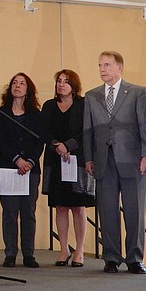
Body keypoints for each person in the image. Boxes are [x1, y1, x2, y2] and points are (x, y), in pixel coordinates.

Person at [83, 51, 146, 275]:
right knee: (107, 210)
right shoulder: (92, 95)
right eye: (100, 65)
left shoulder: (137, 92)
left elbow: (145, 126)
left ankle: (134, 258)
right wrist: (88, 158)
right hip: (104, 160)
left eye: (107, 65)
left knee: (134, 211)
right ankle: (111, 257)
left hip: (133, 160)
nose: (102, 69)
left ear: (119, 67)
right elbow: (88, 130)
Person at [41, 69, 93, 268]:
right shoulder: (49, 106)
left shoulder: (83, 105)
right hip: (55, 161)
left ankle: (79, 251)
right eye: (59, 81)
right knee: (60, 206)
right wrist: (56, 145)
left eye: (66, 81)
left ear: (74, 85)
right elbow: (43, 131)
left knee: (78, 207)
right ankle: (63, 249)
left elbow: (87, 132)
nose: (61, 85)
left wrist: (68, 146)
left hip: (77, 160)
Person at [0, 72, 44, 268]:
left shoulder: (36, 115)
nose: (17, 86)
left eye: (22, 83)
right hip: (8, 168)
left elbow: (40, 141)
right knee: (9, 213)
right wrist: (17, 160)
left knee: (28, 212)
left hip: (31, 171)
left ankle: (29, 254)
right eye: (14, 82)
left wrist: (29, 162)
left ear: (28, 90)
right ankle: (10, 254)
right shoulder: (0, 113)